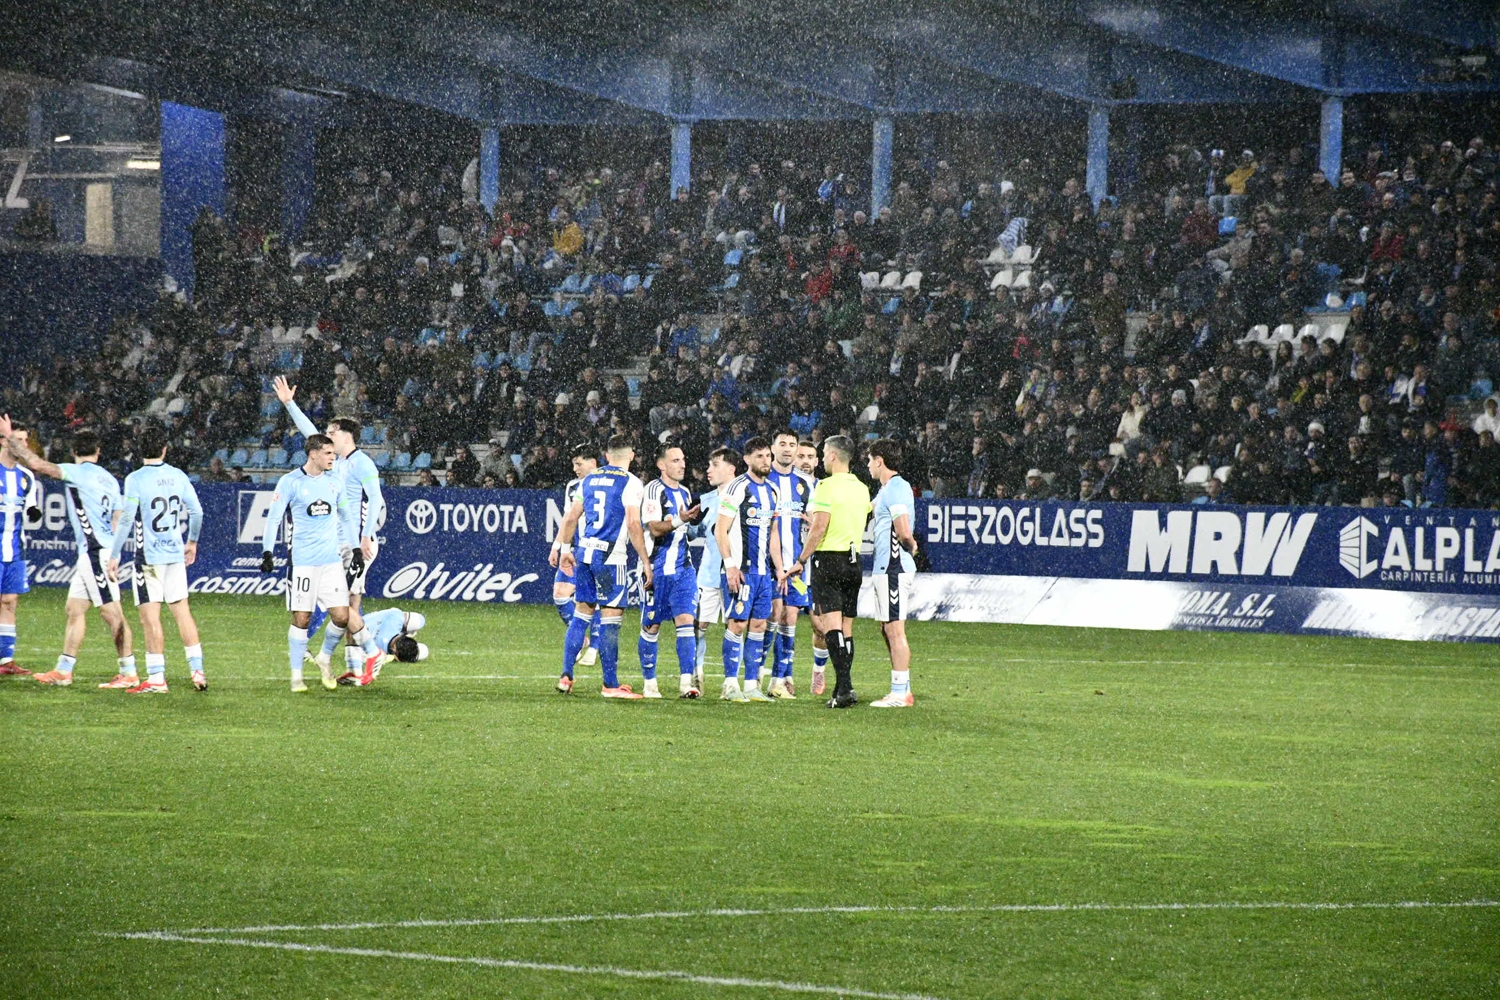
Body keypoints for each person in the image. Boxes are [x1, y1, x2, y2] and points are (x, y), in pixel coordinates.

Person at [1, 419, 135, 687]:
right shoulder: (109, 478)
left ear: (73, 451)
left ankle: (128, 672)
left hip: (96, 552)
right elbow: (119, 517)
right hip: (97, 551)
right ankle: (64, 670)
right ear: (98, 451)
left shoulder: (76, 472)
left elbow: (36, 463)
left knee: (112, 613)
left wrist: (9, 437)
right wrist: (114, 549)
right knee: (74, 608)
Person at [272, 377, 387, 683]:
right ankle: (355, 668)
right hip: (338, 543)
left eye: (332, 432)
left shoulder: (362, 463)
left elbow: (376, 499)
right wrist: (289, 404)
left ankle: (367, 652)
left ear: (345, 436)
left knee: (341, 606)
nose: (327, 435)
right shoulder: (335, 463)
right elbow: (310, 433)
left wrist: (364, 537)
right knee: (349, 604)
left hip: (354, 543)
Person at [103, 422, 206, 693]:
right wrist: (192, 541)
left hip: (149, 558)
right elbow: (197, 512)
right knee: (182, 613)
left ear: (141, 450)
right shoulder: (178, 475)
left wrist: (114, 553)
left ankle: (157, 678)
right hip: (174, 554)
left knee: (150, 618)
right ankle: (197, 671)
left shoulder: (135, 479)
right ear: (164, 449)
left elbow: (127, 518)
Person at [553, 434, 653, 699]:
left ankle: (566, 675)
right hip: (611, 557)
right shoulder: (631, 482)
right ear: (631, 456)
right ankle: (610, 684)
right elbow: (633, 523)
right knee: (611, 619)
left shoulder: (588, 480)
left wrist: (565, 550)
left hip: (584, 553)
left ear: (607, 456)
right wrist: (645, 560)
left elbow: (571, 517)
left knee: (581, 614)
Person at [784, 434, 869, 709]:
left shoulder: (825, 487)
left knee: (831, 626)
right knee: (847, 628)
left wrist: (801, 559)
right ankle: (844, 687)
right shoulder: (862, 488)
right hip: (854, 561)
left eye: (822, 454)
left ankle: (844, 688)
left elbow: (819, 527)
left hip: (830, 560)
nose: (821, 459)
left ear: (832, 455)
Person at [714, 436, 784, 702]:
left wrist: (779, 568)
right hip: (741, 571)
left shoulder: (773, 491)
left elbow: (773, 533)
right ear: (747, 460)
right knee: (738, 623)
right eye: (759, 457)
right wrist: (730, 566)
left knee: (759, 624)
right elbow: (721, 529)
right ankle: (730, 684)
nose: (766, 461)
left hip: (763, 573)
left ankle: (752, 685)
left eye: (768, 456)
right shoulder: (737, 487)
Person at [639, 442, 702, 698]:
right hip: (657, 568)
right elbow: (654, 528)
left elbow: (686, 531)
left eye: (683, 459)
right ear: (661, 465)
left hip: (683, 568)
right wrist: (680, 519)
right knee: (652, 626)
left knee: (686, 621)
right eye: (675, 460)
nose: (682, 464)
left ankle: (686, 683)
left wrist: (696, 523)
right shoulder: (653, 490)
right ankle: (649, 683)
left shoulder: (685, 492)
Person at [866, 438, 920, 708]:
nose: (867, 465)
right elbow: (867, 510)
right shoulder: (886, 490)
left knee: (895, 629)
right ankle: (902, 688)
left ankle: (900, 694)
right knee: (887, 628)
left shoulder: (896, 487)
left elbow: (903, 530)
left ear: (879, 461)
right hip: (886, 568)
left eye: (869, 460)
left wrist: (911, 545)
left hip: (894, 567)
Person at [765, 429, 814, 698]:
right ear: (773, 448)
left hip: (795, 565)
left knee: (790, 617)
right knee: (770, 617)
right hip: (766, 563)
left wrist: (811, 521)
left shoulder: (804, 484)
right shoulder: (764, 479)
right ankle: (755, 675)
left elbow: (813, 519)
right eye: (782, 444)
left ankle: (781, 677)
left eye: (792, 444)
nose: (787, 448)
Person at [549, 445, 601, 692]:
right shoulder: (573, 487)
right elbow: (568, 519)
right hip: (575, 550)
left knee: (595, 601)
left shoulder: (606, 482)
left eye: (579, 463)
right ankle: (583, 640)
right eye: (573, 464)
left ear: (593, 462)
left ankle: (594, 649)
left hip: (600, 551)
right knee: (560, 595)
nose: (575, 468)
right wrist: (558, 546)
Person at [691, 447, 739, 692]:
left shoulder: (744, 495)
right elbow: (692, 533)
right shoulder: (706, 500)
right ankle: (696, 674)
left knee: (736, 625)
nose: (708, 470)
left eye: (715, 465)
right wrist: (687, 521)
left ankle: (733, 680)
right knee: (698, 625)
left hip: (735, 574)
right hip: (709, 574)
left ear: (731, 469)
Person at [0, 417, 41, 675]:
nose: (25, 445)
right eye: (19, 440)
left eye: (26, 440)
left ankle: (5, 660)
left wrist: (34, 512)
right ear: (5, 441)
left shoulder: (26, 477)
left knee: (9, 601)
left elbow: (31, 509)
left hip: (15, 550)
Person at [795, 438, 832, 692]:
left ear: (817, 461)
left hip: (814, 566)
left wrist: (816, 526)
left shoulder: (824, 489)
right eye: (801, 456)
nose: (805, 461)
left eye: (810, 457)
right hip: (788, 563)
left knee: (820, 626)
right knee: (779, 619)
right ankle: (779, 676)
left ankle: (818, 672)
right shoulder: (782, 486)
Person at [361, 607, 431, 666]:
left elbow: (415, 619)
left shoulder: (397, 616)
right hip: (356, 635)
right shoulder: (378, 651)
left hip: (357, 617)